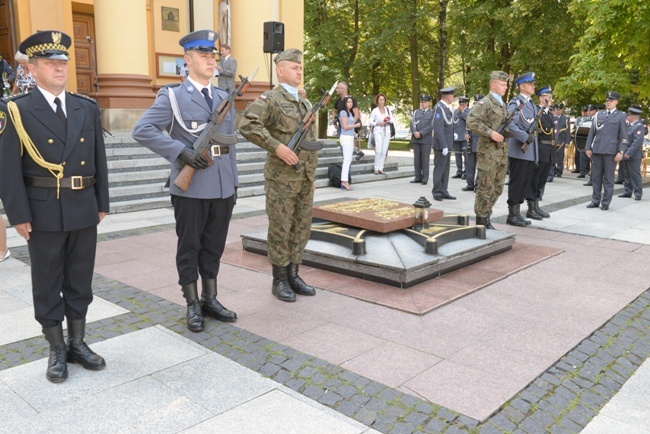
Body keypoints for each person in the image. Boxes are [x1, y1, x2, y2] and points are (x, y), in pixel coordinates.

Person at [0, 30, 109, 383]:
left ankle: (78, 342)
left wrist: (102, 202)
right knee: (47, 281)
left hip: (82, 205)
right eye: (51, 63)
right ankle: (56, 348)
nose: (60, 69)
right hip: (42, 208)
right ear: (32, 68)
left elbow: (99, 160)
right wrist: (18, 214)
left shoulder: (86, 106)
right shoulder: (16, 109)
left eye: (63, 63)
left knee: (80, 277)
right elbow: (8, 168)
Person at [133, 29, 238, 331]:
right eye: (204, 55)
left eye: (212, 55)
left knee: (214, 245)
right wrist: (180, 152)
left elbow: (230, 144)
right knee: (189, 245)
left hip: (222, 184)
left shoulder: (222, 96)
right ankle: (192, 303)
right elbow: (143, 130)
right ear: (188, 60)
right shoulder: (174, 97)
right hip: (191, 186)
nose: (210, 60)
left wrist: (234, 183)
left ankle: (210, 298)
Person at [239, 48, 318, 303]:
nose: (299, 71)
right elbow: (248, 125)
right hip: (281, 178)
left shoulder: (305, 102)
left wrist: (311, 174)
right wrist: (276, 146)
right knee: (281, 229)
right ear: (280, 70)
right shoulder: (270, 99)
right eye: (294, 68)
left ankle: (294, 274)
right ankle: (279, 279)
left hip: (304, 176)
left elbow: (311, 140)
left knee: (301, 227)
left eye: (300, 68)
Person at [466, 71, 510, 229]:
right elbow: (471, 121)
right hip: (488, 152)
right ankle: (481, 219)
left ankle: (486, 213)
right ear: (493, 85)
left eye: (506, 84)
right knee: (486, 186)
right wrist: (491, 133)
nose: (505, 87)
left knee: (498, 187)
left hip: (501, 151)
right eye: (503, 84)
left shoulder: (502, 104)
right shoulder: (485, 103)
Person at [585, 91, 628, 210]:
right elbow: (592, 132)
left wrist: (621, 151)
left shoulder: (621, 115)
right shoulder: (599, 115)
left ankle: (605, 203)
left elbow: (624, 136)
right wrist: (588, 147)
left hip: (611, 151)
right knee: (596, 177)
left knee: (608, 179)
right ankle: (595, 200)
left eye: (611, 101)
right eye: (607, 100)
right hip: (597, 150)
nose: (608, 102)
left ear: (616, 102)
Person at [505, 72, 538, 226]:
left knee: (524, 183)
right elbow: (510, 125)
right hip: (519, 150)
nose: (533, 86)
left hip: (529, 151)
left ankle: (517, 213)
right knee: (517, 182)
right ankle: (512, 214)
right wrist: (524, 137)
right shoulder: (516, 103)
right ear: (522, 86)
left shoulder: (531, 104)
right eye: (530, 84)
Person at [432, 86, 456, 201]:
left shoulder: (446, 108)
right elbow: (438, 128)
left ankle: (443, 190)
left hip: (447, 144)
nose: (453, 97)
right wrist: (444, 146)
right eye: (452, 95)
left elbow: (448, 126)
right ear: (448, 96)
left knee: (446, 169)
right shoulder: (439, 108)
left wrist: (452, 135)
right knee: (439, 168)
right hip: (442, 146)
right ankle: (436, 192)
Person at [617, 105, 646, 201]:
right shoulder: (630, 126)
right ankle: (627, 192)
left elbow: (636, 142)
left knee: (634, 174)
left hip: (634, 155)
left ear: (631, 116)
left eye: (628, 116)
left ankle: (638, 193)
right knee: (627, 174)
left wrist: (628, 153)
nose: (627, 118)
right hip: (625, 154)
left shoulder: (639, 127)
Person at [409, 94, 434, 185]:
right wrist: (415, 132)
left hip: (425, 139)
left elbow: (431, 125)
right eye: (422, 102)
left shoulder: (432, 113)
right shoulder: (416, 112)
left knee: (425, 159)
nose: (423, 103)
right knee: (417, 159)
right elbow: (412, 123)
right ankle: (417, 177)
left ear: (429, 103)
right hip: (416, 138)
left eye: (425, 102)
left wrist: (421, 133)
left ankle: (424, 178)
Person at [338, 96, 360, 190]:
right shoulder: (343, 112)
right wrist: (356, 125)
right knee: (347, 160)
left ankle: (345, 180)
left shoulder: (349, 113)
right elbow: (345, 127)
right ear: (345, 103)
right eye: (348, 102)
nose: (350, 104)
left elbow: (349, 129)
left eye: (351, 102)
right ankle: (344, 181)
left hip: (350, 137)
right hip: (346, 138)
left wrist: (356, 135)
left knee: (348, 160)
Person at [463, 94, 483, 192]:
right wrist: (466, 134)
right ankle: (470, 184)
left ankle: (477, 185)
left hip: (480, 141)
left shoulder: (485, 113)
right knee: (470, 164)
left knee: (480, 165)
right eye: (475, 103)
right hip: (471, 141)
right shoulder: (471, 112)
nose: (476, 104)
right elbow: (468, 125)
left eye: (478, 102)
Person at [368, 93, 392, 175]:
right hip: (378, 131)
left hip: (386, 132)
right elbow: (370, 121)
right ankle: (376, 168)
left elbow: (391, 120)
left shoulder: (387, 109)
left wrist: (387, 121)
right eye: (380, 100)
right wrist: (378, 123)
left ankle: (381, 168)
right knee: (378, 150)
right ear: (377, 101)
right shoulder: (375, 110)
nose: (382, 101)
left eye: (383, 100)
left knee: (384, 150)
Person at [550, 103, 570, 179]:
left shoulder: (565, 119)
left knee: (560, 157)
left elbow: (567, 131)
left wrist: (567, 142)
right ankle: (553, 170)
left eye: (560, 109)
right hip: (553, 140)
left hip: (561, 141)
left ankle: (559, 171)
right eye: (557, 109)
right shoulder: (552, 117)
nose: (558, 111)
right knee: (553, 156)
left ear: (562, 110)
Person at [452, 96, 470, 179]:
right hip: (457, 137)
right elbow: (453, 123)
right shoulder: (455, 111)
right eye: (460, 103)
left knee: (466, 156)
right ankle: (459, 171)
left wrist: (462, 111)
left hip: (464, 137)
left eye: (463, 103)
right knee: (457, 155)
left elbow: (468, 120)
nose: (461, 105)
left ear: (466, 103)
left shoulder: (469, 111)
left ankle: (466, 172)